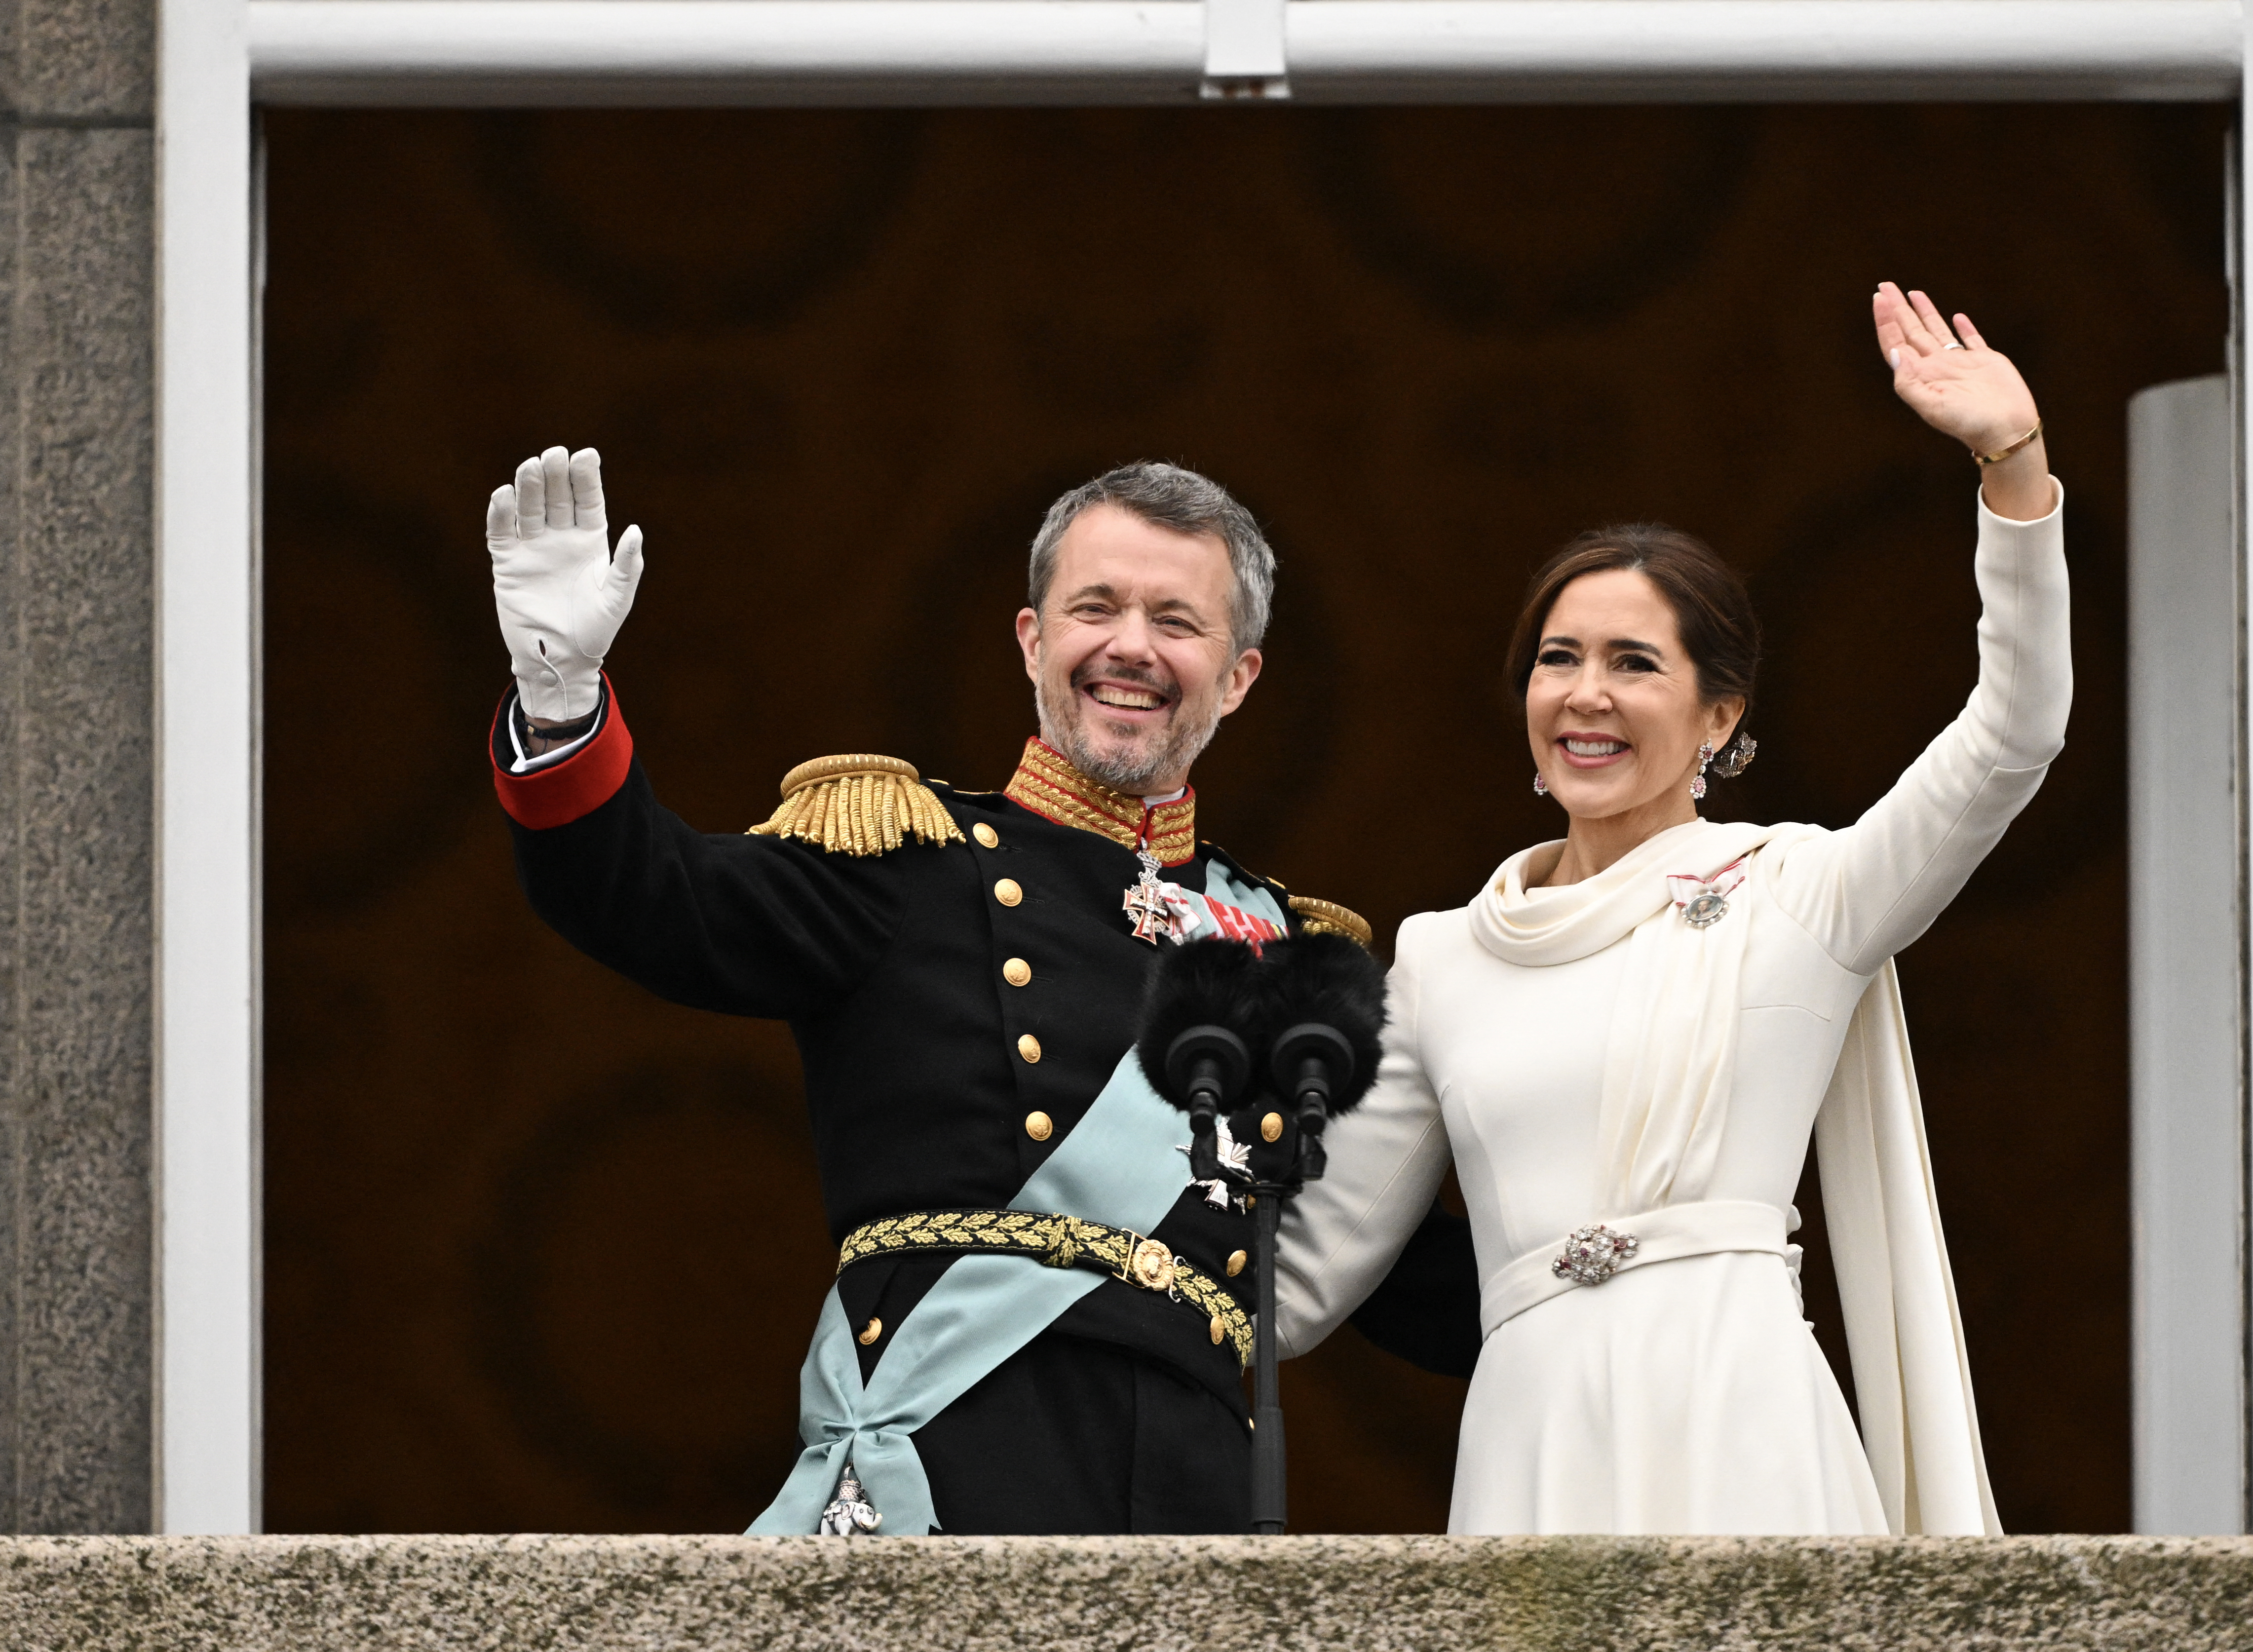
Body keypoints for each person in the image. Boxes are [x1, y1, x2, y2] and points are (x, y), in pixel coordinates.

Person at [483, 455, 1470, 1536]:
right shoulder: (902, 859)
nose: (1129, 645)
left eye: (1174, 621)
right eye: (1094, 608)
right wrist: (559, 695)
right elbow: (649, 898)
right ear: (1032, 641)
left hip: (1191, 1494)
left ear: (1236, 677)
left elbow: (1400, 1271)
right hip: (954, 1459)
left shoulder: (1287, 957)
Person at [1271, 284, 2067, 1535]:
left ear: (1718, 717)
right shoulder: (1439, 957)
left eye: (1634, 664)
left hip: (1737, 1417)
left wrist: (2010, 470)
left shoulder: (1801, 892)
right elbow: (1302, 1280)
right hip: (1532, 1440)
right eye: (1558, 657)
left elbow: (2012, 736)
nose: (1585, 695)